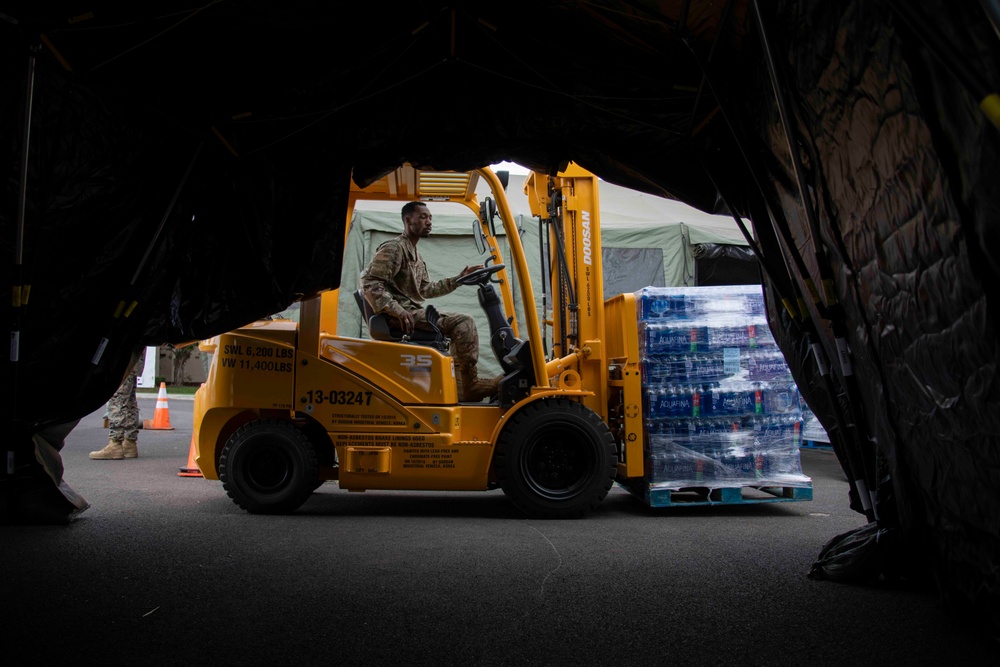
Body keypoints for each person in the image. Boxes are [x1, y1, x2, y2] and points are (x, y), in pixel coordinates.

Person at [361, 201, 501, 402]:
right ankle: (469, 386)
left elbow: (427, 288)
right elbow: (370, 282)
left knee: (459, 321)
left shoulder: (415, 254)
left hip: (409, 312)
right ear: (408, 220)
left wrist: (459, 278)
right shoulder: (394, 248)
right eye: (423, 217)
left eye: (430, 218)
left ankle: (460, 384)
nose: (429, 222)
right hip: (398, 316)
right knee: (463, 322)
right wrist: (397, 310)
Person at [90, 347, 146, 460]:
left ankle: (115, 443)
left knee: (117, 397)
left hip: (123, 356)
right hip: (134, 356)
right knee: (129, 399)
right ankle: (129, 442)